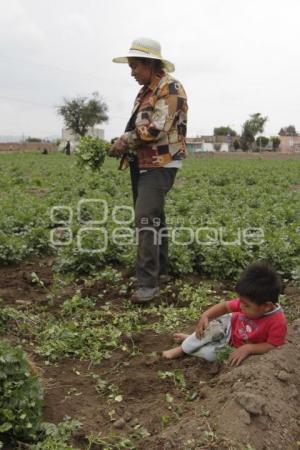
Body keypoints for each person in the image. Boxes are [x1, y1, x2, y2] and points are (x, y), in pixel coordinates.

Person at [110, 37, 188, 303]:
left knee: (145, 218)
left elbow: (157, 128)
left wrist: (125, 141)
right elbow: (139, 127)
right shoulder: (145, 91)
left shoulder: (171, 87)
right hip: (141, 162)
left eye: (135, 66)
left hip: (161, 162)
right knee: (154, 218)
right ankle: (160, 272)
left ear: (150, 64)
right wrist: (122, 143)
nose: (131, 72)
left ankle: (147, 285)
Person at [163, 262, 287, 366]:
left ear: (267, 306)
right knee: (211, 331)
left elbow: (272, 345)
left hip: (233, 344)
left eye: (246, 305)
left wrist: (249, 348)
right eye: (241, 302)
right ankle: (181, 349)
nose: (241, 306)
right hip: (229, 326)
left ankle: (195, 342)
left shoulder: (278, 322)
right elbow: (225, 307)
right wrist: (206, 315)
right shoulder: (248, 303)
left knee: (210, 356)